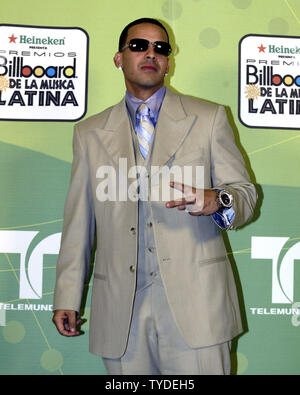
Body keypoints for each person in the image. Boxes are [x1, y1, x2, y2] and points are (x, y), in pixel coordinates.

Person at [52, 17, 257, 375]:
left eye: (161, 48)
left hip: (198, 307)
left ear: (169, 61)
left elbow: (245, 195)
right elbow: (78, 224)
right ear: (119, 58)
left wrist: (218, 200)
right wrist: (67, 297)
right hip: (121, 310)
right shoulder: (89, 133)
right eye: (139, 46)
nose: (151, 54)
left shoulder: (209, 118)